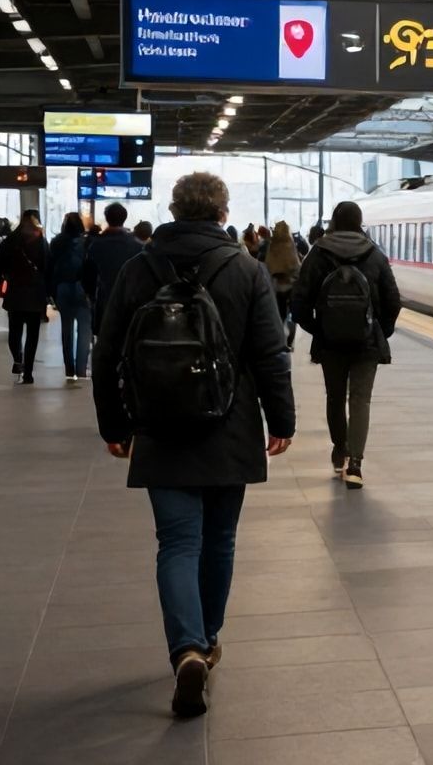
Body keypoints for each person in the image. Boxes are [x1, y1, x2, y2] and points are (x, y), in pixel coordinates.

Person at [91, 173, 295, 719]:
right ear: (223, 212)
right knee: (220, 540)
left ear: (175, 211)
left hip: (158, 427)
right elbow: (271, 354)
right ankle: (205, 640)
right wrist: (282, 420)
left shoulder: (140, 268)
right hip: (228, 425)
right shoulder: (246, 270)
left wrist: (114, 426)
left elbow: (107, 353)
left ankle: (185, 650)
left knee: (178, 543)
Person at [291, 203, 399, 488]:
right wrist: (379, 331)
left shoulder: (318, 253)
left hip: (330, 343)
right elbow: (393, 300)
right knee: (360, 399)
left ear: (335, 222)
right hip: (366, 343)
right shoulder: (375, 254)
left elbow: (299, 301)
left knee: (335, 397)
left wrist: (318, 329)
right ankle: (356, 464)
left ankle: (340, 450)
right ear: (360, 222)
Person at [0, 210, 48, 384]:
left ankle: (18, 360)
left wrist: (8, 276)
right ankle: (28, 372)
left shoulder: (11, 240)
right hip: (35, 293)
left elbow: (0, 264)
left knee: (15, 331)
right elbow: (47, 266)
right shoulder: (41, 240)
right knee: (33, 334)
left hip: (15, 293)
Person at [46, 212, 93, 383]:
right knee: (84, 330)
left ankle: (69, 369)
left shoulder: (57, 242)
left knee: (66, 329)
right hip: (83, 288)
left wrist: (51, 291)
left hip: (63, 287)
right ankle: (81, 370)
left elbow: (49, 267)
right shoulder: (87, 242)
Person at [84, 203, 144, 334]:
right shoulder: (137, 247)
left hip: (104, 302)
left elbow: (89, 277)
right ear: (125, 218)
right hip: (130, 305)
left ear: (107, 218)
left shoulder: (95, 246)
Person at [263, 222, 303, 351]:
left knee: (279, 315)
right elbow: (296, 267)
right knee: (292, 316)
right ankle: (290, 341)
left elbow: (268, 266)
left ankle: (280, 341)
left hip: (275, 286)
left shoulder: (272, 245)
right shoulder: (290, 244)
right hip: (290, 286)